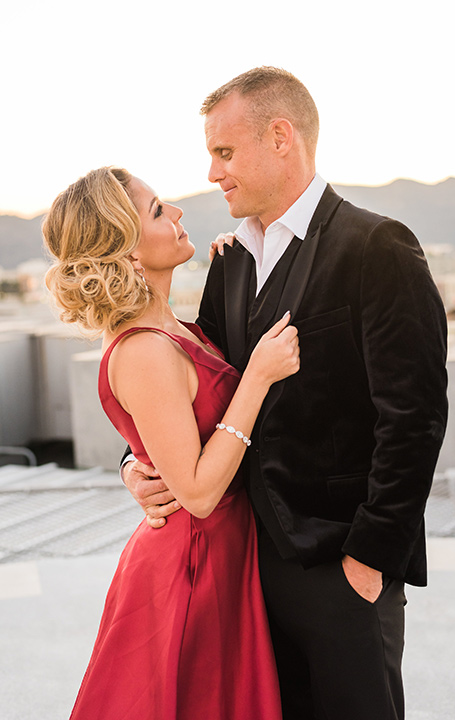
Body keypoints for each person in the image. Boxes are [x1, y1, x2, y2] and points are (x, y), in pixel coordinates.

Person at [122, 67, 449, 720]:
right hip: (246, 569)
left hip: (343, 570)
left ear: (280, 137)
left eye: (223, 152)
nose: (213, 173)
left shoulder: (377, 246)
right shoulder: (231, 262)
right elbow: (190, 381)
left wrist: (368, 559)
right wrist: (133, 462)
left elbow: (413, 417)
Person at [42, 166, 300, 720]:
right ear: (127, 249)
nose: (178, 213)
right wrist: (256, 378)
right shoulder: (144, 351)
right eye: (159, 210)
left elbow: (168, 436)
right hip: (191, 565)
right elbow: (200, 493)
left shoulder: (173, 328)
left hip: (223, 553)